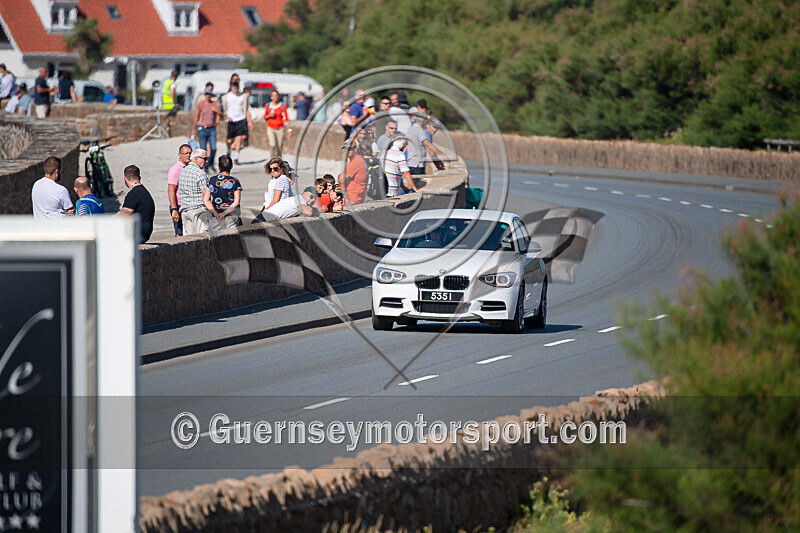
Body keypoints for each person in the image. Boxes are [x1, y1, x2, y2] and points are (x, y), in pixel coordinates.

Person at [178, 149, 211, 235]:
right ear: (196, 158)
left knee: (189, 241)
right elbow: (205, 195)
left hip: (185, 211)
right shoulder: (200, 173)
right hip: (199, 211)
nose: (206, 161)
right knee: (203, 238)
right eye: (204, 158)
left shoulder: (182, 172)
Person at [120, 165, 156, 244]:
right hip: (144, 234)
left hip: (137, 235)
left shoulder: (133, 194)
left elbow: (123, 218)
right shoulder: (144, 192)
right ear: (139, 177)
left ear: (125, 178)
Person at [205, 154, 242, 230]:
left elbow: (206, 200)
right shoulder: (235, 181)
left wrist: (216, 214)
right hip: (232, 216)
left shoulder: (212, 180)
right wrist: (223, 214)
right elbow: (236, 202)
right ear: (231, 166)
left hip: (216, 216)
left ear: (219, 166)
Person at [191, 87, 221, 172]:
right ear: (204, 95)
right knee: (203, 149)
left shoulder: (214, 104)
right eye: (206, 94)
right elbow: (196, 116)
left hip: (211, 128)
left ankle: (210, 163)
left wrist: (217, 112)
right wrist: (193, 128)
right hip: (202, 128)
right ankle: (206, 166)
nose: (208, 96)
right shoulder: (201, 104)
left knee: (213, 148)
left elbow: (220, 115)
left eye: (209, 94)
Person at [222, 81, 251, 164]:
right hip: (231, 120)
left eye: (237, 88)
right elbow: (224, 109)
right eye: (234, 88)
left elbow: (246, 108)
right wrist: (227, 116)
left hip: (240, 119)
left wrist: (248, 120)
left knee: (238, 139)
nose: (235, 89)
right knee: (229, 141)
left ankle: (236, 157)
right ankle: (228, 150)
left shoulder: (242, 96)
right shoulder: (226, 97)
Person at [168, 143, 192, 237]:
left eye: (190, 153)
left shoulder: (190, 167)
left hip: (189, 205)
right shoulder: (175, 170)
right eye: (186, 153)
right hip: (179, 205)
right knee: (179, 233)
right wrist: (174, 209)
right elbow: (171, 190)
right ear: (180, 155)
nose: (188, 155)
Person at [338, 138, 369, 206]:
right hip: (357, 197)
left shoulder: (356, 162)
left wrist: (340, 176)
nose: (347, 151)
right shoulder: (358, 159)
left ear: (355, 149)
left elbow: (341, 179)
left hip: (352, 199)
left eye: (349, 149)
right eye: (345, 149)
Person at [264, 89, 291, 159]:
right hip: (270, 127)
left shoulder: (282, 105)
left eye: (276, 95)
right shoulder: (268, 105)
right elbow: (265, 116)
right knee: (272, 144)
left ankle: (279, 160)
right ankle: (272, 160)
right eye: (273, 96)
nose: (275, 97)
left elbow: (286, 117)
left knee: (280, 145)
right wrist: (269, 115)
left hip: (280, 127)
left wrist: (289, 129)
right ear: (271, 97)